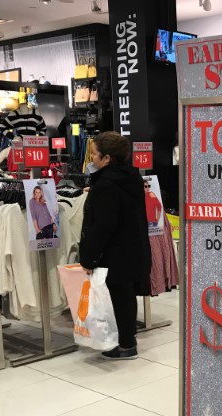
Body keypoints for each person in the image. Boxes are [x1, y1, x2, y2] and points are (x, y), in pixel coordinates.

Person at [80, 131, 150, 360]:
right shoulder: (131, 178)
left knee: (117, 298)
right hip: (132, 247)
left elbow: (102, 226)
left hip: (114, 252)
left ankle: (124, 345)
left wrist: (89, 258)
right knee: (126, 297)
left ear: (107, 158)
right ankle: (127, 341)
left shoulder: (106, 186)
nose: (92, 159)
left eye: (95, 154)